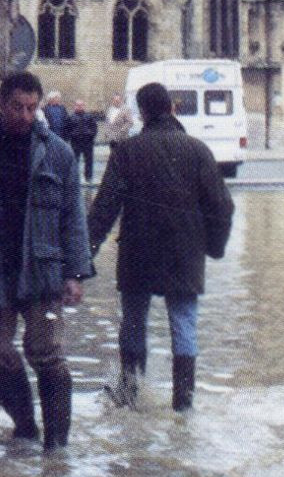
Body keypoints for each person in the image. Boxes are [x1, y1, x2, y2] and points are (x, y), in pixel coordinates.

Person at [0, 72, 91, 452]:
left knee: (46, 352)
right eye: (18, 107)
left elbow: (73, 217)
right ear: (2, 104)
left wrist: (75, 273)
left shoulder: (58, 152)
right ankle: (26, 425)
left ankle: (57, 445)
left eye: (32, 108)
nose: (25, 115)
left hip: (43, 267)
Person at [89, 82, 234, 412]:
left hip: (138, 252)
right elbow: (222, 207)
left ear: (142, 113)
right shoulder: (198, 150)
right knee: (184, 325)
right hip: (185, 254)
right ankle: (184, 406)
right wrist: (214, 247)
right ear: (172, 108)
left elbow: (104, 208)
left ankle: (130, 396)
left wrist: (85, 253)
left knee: (133, 323)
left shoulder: (126, 152)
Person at [67, 99, 99, 182]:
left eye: (81, 105)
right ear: (75, 106)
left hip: (87, 142)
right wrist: (72, 135)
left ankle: (88, 177)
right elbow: (67, 129)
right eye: (78, 105)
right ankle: (74, 177)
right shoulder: (71, 117)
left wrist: (91, 135)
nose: (79, 107)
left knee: (89, 160)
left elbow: (94, 128)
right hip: (76, 142)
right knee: (74, 161)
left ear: (84, 106)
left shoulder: (89, 116)